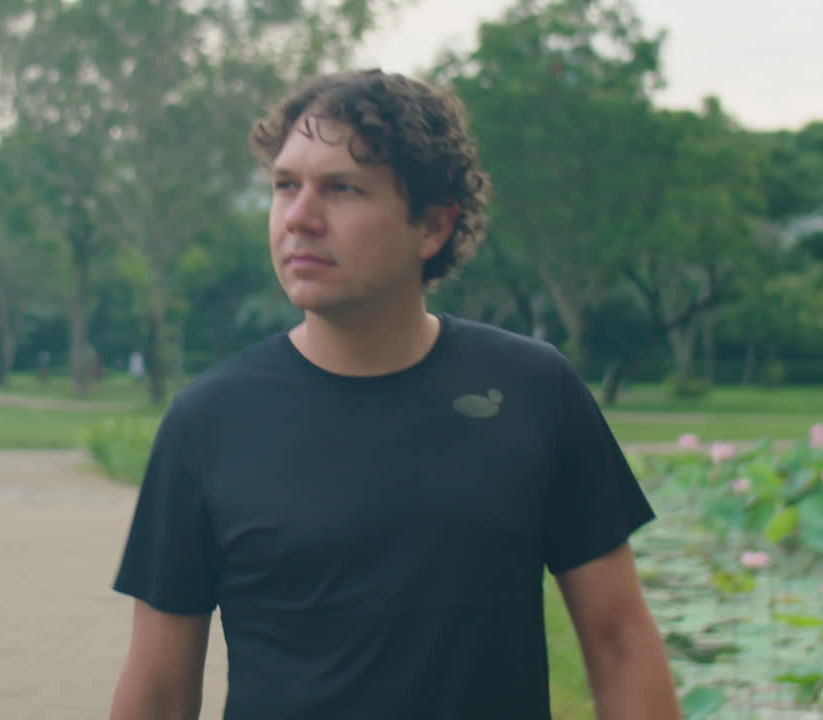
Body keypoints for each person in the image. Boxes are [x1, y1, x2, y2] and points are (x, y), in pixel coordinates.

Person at [108, 69, 679, 720]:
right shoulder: (207, 423)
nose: (299, 217)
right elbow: (157, 689)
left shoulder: (536, 391)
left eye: (342, 189)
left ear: (432, 226)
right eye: (285, 186)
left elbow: (620, 642)